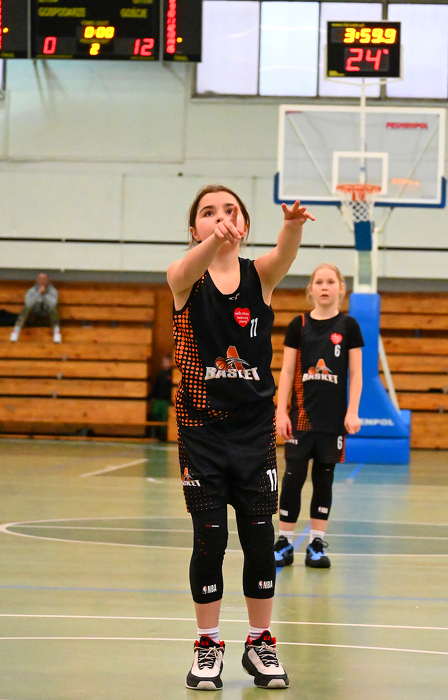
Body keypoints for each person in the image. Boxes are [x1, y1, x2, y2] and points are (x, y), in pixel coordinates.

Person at [167, 184, 315, 691]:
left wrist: (291, 227)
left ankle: (260, 643)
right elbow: (185, 270)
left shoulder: (260, 276)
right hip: (200, 432)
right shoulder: (183, 278)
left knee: (258, 537)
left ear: (246, 225)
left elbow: (284, 256)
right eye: (208, 213)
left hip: (253, 433)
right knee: (209, 539)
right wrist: (214, 241)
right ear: (194, 229)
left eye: (230, 211)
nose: (221, 218)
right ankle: (208, 645)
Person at [274, 264, 363, 570]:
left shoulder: (349, 326)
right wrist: (280, 411)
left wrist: (353, 411)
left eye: (331, 281)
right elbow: (287, 372)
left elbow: (356, 373)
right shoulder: (298, 325)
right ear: (310, 289)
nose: (325, 286)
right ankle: (284, 542)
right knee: (293, 479)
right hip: (300, 419)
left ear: (341, 289)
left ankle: (315, 544)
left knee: (324, 480)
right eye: (319, 282)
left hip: (332, 421)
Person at [10, 273, 61, 343]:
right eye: (40, 279)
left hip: (47, 316)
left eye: (44, 279)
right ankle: (16, 330)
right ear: (37, 280)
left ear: (48, 281)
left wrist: (45, 295)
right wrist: (38, 293)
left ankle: (57, 331)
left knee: (53, 311)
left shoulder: (53, 291)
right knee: (26, 309)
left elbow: (53, 304)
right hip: (33, 315)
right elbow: (28, 303)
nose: (42, 281)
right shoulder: (32, 290)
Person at [148, 354, 173, 441]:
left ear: (171, 363)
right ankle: (154, 435)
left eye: (167, 362)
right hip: (158, 400)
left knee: (164, 418)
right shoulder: (160, 374)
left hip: (166, 401)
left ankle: (164, 436)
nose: (165, 364)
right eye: (163, 362)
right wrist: (152, 396)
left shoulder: (172, 374)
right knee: (155, 415)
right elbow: (155, 386)